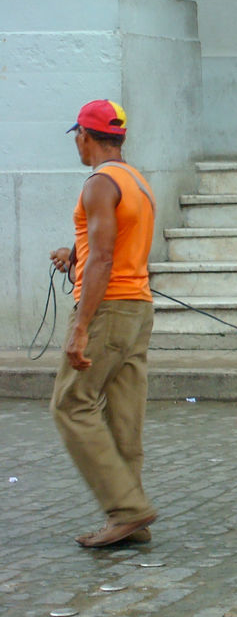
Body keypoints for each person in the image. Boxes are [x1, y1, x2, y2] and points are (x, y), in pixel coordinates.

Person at [49, 100, 159, 548]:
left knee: (71, 403)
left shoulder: (98, 183)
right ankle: (130, 518)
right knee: (122, 414)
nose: (77, 142)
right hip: (138, 307)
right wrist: (72, 256)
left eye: (77, 135)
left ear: (85, 136)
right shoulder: (136, 180)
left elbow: (103, 257)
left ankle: (129, 508)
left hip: (108, 309)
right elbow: (112, 243)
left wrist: (80, 327)